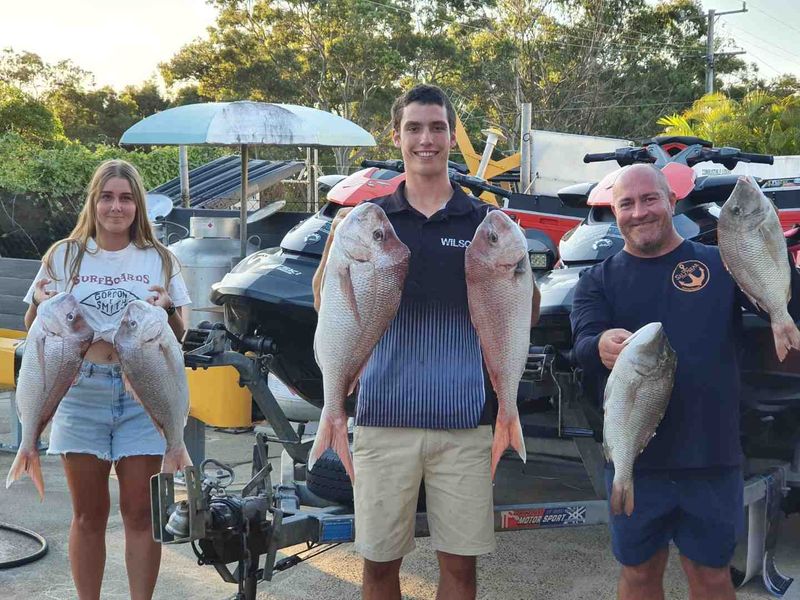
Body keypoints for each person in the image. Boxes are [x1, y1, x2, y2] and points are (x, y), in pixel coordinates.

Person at [312, 84, 538, 599]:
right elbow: (328, 310)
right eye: (414, 128)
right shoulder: (370, 221)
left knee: (459, 570)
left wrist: (522, 274)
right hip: (381, 419)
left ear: (450, 135)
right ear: (398, 136)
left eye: (437, 127)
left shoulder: (485, 224)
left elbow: (521, 313)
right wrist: (333, 259)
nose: (426, 139)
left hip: (465, 424)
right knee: (378, 569)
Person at [570, 163, 800, 600]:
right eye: (627, 203)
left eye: (650, 199)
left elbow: (787, 305)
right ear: (615, 212)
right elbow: (581, 343)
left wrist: (770, 246)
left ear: (672, 202)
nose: (639, 212)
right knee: (639, 575)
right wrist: (598, 343)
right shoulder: (596, 280)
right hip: (636, 460)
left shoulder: (720, 263)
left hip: (711, 457)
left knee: (711, 577)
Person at [23, 159, 191, 600]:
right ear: (94, 201)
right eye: (107, 196)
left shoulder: (161, 259)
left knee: (139, 513)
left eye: (126, 198)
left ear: (138, 204)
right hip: (79, 389)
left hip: (143, 393)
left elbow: (179, 334)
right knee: (88, 515)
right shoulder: (63, 254)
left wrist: (170, 308)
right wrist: (39, 301)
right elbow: (32, 324)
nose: (116, 207)